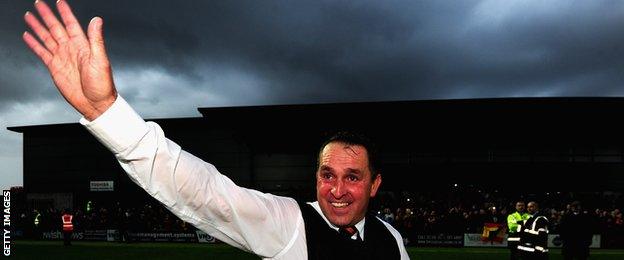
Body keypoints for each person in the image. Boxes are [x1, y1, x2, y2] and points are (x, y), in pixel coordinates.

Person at [22, 1, 409, 259]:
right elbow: (207, 194)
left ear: (375, 184)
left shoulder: (392, 242)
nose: (336, 191)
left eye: (352, 178)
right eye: (327, 175)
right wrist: (106, 111)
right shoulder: (290, 224)